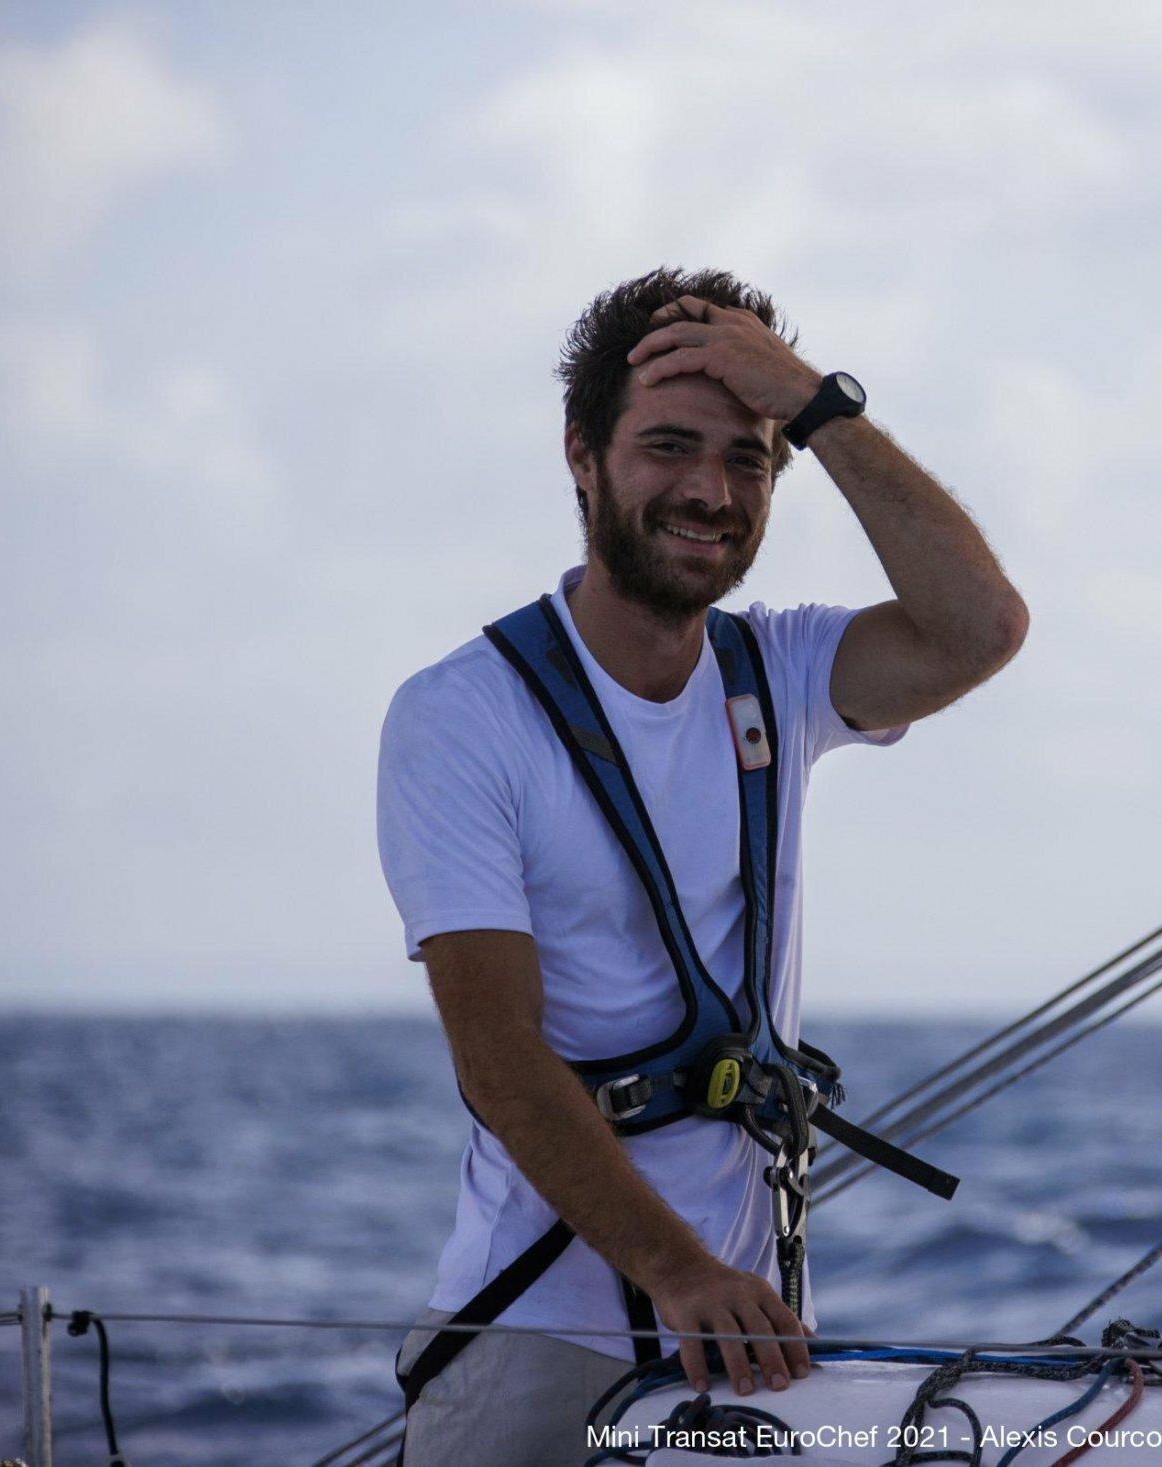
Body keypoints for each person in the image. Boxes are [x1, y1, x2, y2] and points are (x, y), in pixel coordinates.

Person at [375, 266, 1027, 1464]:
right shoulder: (459, 716)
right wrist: (676, 1271)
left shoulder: (776, 669)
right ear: (582, 457)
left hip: (745, 1345)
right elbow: (498, 1057)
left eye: (747, 458)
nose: (709, 491)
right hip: (538, 1339)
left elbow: (980, 629)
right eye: (668, 446)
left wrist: (816, 409)